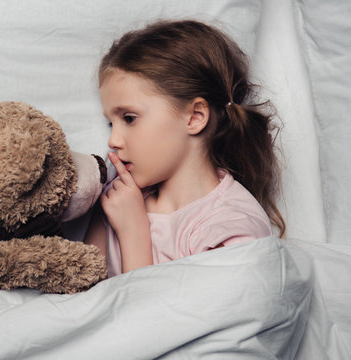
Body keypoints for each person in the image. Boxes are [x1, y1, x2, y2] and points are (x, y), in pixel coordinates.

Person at [84, 19, 286, 277]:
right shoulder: (117, 197)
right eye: (110, 123)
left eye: (129, 118)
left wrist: (133, 233)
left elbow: (157, 317)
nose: (113, 140)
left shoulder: (231, 228)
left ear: (195, 117)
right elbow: (81, 297)